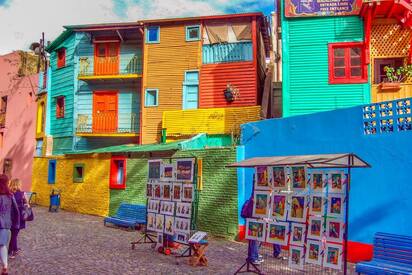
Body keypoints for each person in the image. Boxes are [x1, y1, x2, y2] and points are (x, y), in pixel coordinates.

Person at [0, 175, 20, 275]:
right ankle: (5, 266)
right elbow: (16, 211)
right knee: (2, 245)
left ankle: (4, 267)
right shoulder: (10, 195)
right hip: (6, 224)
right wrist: (16, 223)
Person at [8, 179, 28, 258]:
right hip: (19, 216)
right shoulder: (23, 194)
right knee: (14, 234)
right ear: (19, 184)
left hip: (10, 216)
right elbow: (27, 204)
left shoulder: (9, 194)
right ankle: (10, 252)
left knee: (14, 233)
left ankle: (15, 249)